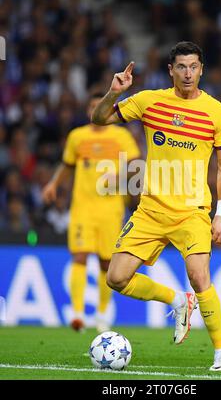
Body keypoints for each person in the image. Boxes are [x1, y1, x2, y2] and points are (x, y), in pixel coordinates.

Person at [91, 41, 221, 371]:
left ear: (202, 70)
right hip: (150, 211)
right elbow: (98, 119)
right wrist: (114, 92)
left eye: (193, 67)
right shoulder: (148, 101)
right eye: (181, 67)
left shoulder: (216, 111)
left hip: (192, 211)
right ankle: (175, 300)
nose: (187, 73)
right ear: (171, 70)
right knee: (116, 278)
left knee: (199, 277)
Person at [42, 93, 140, 333]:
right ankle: (77, 314)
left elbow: (137, 165)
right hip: (82, 207)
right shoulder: (77, 137)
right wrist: (53, 184)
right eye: (93, 106)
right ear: (88, 110)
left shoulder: (121, 136)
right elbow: (67, 165)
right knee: (80, 256)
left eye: (101, 106)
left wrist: (120, 176)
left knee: (107, 262)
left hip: (111, 208)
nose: (97, 110)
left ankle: (102, 314)